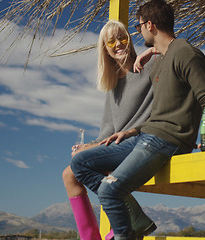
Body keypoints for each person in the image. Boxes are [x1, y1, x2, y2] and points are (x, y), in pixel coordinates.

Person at [70, 0, 205, 239]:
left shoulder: (186, 53)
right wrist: (130, 132)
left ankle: (128, 235)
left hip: (165, 141)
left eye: (138, 26)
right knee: (79, 163)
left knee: (110, 191)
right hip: (145, 136)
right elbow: (160, 113)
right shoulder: (162, 58)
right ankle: (134, 225)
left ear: (149, 25)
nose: (137, 31)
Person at [62, 20, 157, 240]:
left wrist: (153, 49)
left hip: (143, 141)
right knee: (69, 174)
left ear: (130, 38)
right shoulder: (113, 84)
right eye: (110, 41)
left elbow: (173, 52)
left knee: (84, 163)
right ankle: (92, 237)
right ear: (105, 49)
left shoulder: (151, 65)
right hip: (119, 145)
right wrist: (89, 146)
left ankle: (129, 222)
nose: (118, 44)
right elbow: (108, 131)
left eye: (122, 37)